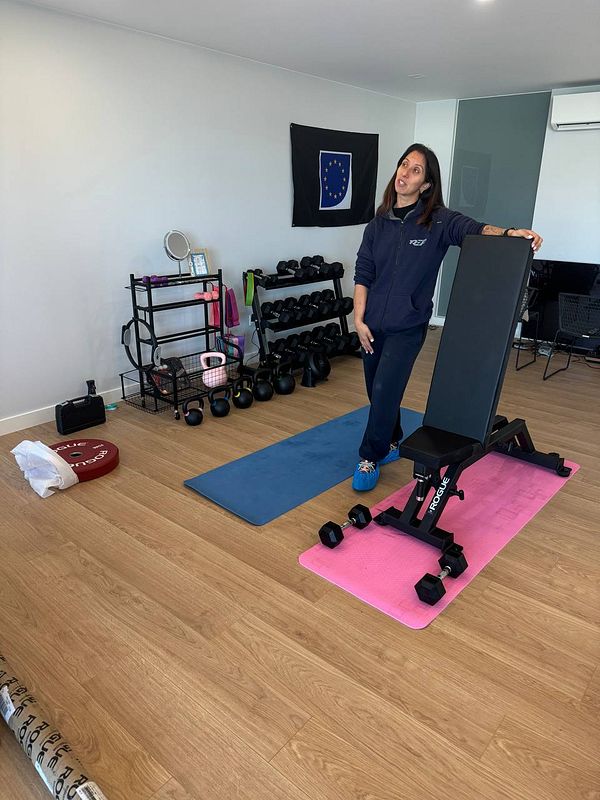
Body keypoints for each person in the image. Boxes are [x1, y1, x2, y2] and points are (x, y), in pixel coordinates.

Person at [352, 142, 543, 491]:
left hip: (407, 326)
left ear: (426, 184)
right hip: (372, 325)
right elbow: (363, 273)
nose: (405, 174)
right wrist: (359, 320)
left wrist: (509, 233)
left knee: (383, 389)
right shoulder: (377, 224)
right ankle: (392, 437)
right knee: (378, 392)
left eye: (415, 170)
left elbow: (474, 228)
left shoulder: (438, 221)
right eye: (404, 165)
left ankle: (369, 455)